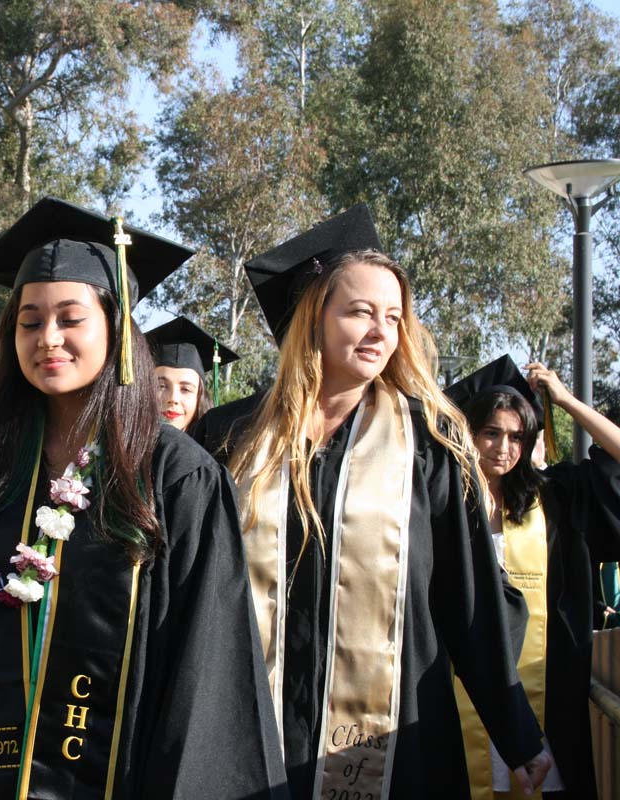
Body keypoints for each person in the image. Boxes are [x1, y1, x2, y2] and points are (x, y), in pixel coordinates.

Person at [0, 196, 287, 799]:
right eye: (30, 321)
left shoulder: (174, 474)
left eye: (70, 319)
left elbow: (206, 665)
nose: (48, 338)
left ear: (116, 326)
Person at [193, 205, 550, 799]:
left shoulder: (429, 442)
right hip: (248, 735)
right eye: (360, 312)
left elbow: (471, 599)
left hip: (392, 750)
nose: (382, 332)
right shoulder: (232, 438)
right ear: (313, 319)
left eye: (393, 316)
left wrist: (518, 732)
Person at [446, 355, 620, 799]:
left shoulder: (556, 497)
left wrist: (566, 401)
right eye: (491, 433)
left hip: (546, 703)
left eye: (516, 437)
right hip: (451, 704)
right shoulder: (440, 503)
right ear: (469, 434)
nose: (503, 448)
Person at [144, 315, 237, 437]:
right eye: (161, 386)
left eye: (186, 389)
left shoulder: (212, 454)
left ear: (199, 398)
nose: (173, 399)